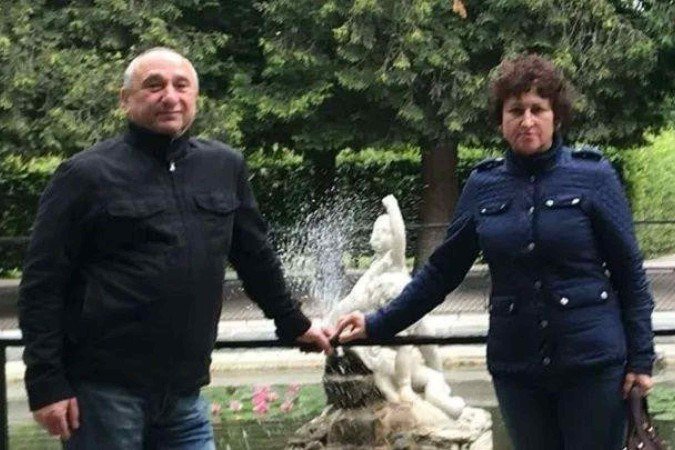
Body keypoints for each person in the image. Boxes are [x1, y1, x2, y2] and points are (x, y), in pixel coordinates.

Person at [334, 54, 655, 450]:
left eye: (538, 109)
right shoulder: (483, 186)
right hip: (518, 370)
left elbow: (629, 273)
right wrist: (377, 324)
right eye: (515, 110)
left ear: (556, 116)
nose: (527, 121)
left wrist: (641, 359)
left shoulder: (593, 176)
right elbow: (440, 274)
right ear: (501, 120)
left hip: (593, 365)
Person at [18, 47, 333, 449]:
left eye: (181, 86)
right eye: (154, 86)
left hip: (185, 394)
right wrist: (45, 383)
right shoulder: (85, 175)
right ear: (125, 99)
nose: (170, 96)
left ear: (195, 97)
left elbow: (255, 257)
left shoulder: (223, 166)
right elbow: (42, 284)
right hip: (102, 393)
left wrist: (293, 323)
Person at [328, 195, 464, 420]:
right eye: (376, 231)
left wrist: (393, 208)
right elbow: (355, 299)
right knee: (405, 346)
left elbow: (400, 235)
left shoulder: (395, 260)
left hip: (410, 312)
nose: (378, 236)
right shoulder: (375, 269)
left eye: (385, 231)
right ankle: (408, 387)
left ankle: (437, 384)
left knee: (429, 345)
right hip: (389, 321)